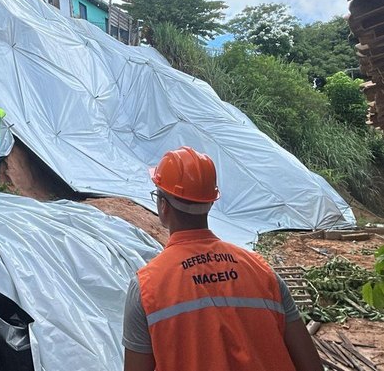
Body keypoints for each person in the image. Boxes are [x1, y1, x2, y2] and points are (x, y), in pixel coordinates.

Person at [123, 146, 322, 371]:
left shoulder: (147, 289)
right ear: (210, 202)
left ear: (163, 205)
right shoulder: (263, 273)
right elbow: (311, 366)